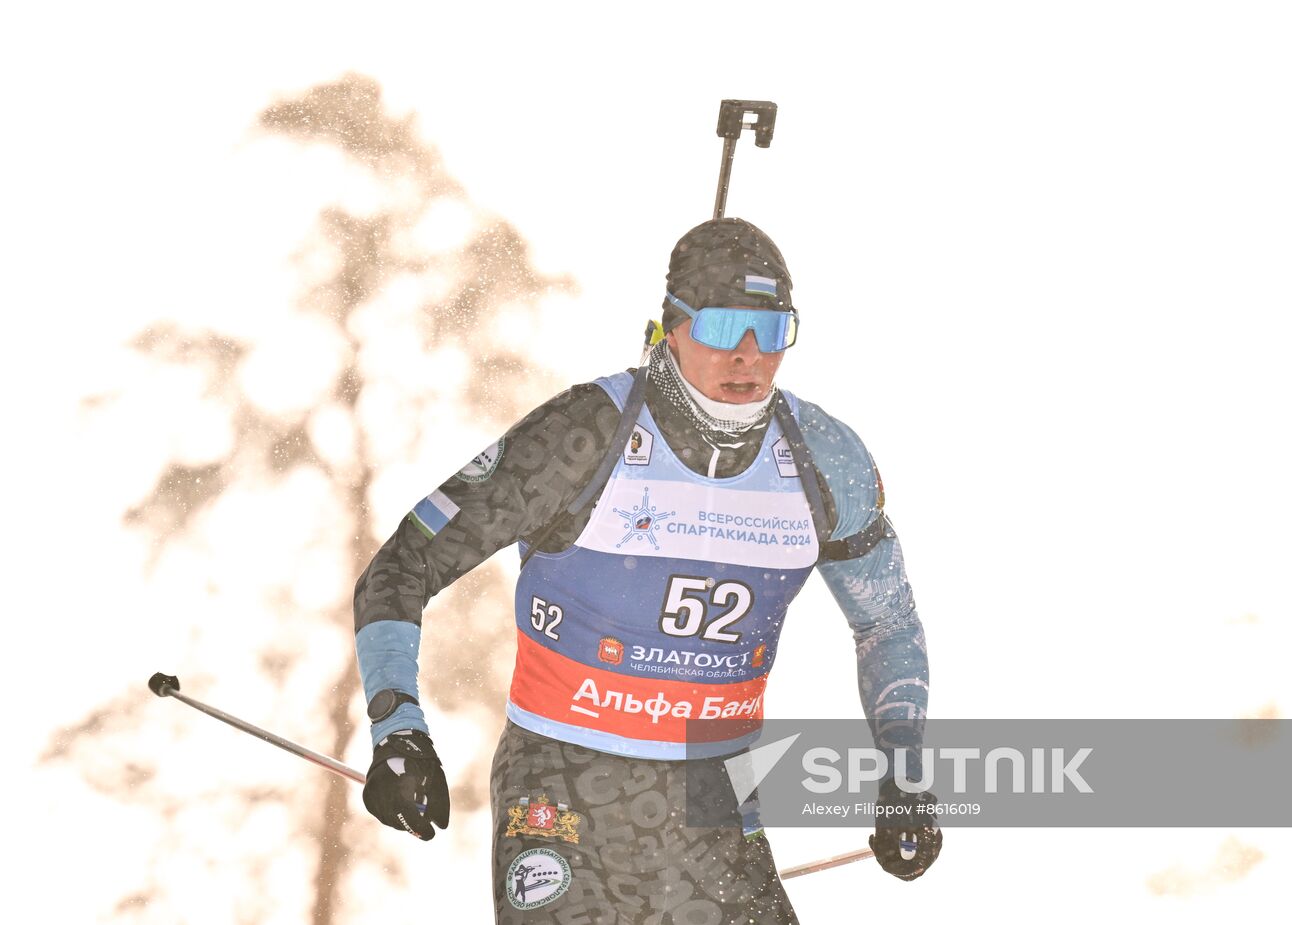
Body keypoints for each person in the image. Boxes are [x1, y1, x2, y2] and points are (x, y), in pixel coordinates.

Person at [354, 218, 940, 923]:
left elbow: (887, 618)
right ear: (673, 325)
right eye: (724, 327)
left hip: (715, 798)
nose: (749, 356)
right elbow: (404, 563)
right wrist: (399, 727)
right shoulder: (583, 437)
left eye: (773, 329)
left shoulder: (825, 460)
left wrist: (902, 766)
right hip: (562, 784)